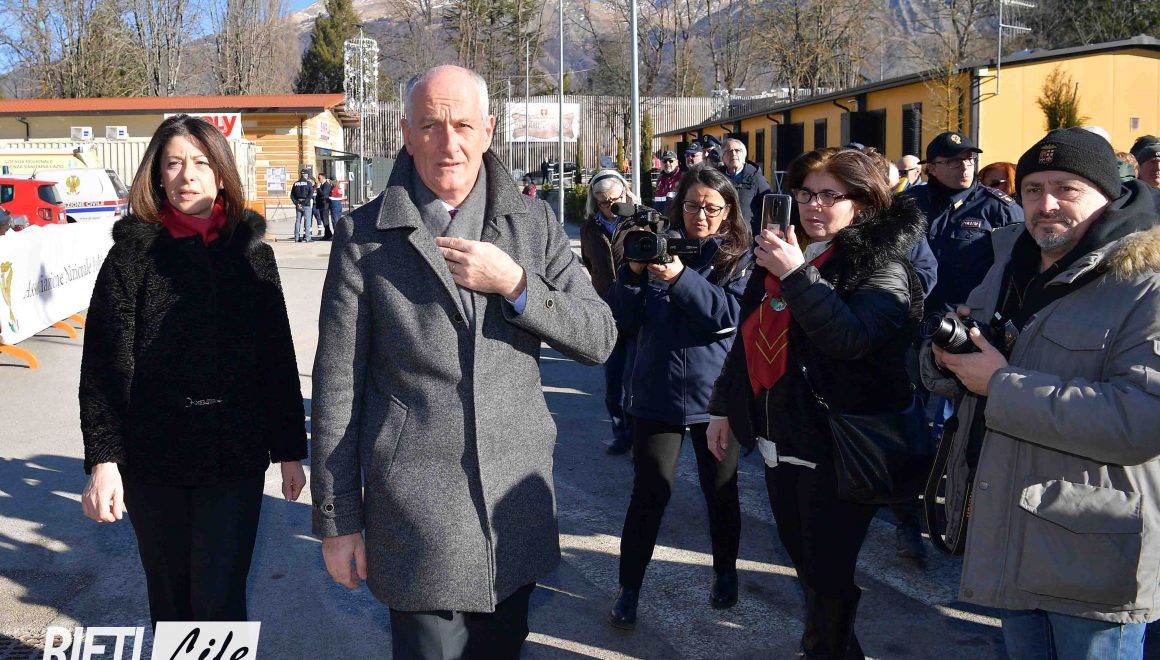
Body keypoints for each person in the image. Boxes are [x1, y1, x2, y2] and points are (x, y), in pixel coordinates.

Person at [310, 65, 615, 659]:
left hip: (512, 510)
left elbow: (598, 337)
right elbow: (337, 386)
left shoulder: (534, 225)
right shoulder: (364, 236)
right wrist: (338, 521)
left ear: (489, 130)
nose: (448, 143)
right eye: (430, 125)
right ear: (406, 134)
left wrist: (517, 285)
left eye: (464, 126)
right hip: (415, 513)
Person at [921, 127, 1160, 660]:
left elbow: (1143, 420)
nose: (1045, 204)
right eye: (1032, 189)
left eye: (1066, 188)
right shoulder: (1013, 264)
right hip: (1010, 528)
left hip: (1092, 554)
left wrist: (1000, 384)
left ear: (1108, 194)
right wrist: (948, 357)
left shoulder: (1148, 284)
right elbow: (978, 358)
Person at [78, 114, 307, 625]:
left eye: (201, 163)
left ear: (221, 174)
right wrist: (104, 460)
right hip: (153, 459)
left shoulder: (253, 255)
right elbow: (103, 367)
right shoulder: (129, 257)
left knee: (221, 602)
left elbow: (277, 358)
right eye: (174, 163)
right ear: (157, 175)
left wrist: (290, 450)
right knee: (172, 604)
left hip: (235, 455)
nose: (187, 175)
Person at [710, 147, 925, 658]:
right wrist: (723, 406)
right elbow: (747, 339)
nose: (813, 206)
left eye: (830, 195)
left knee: (827, 576)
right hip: (780, 439)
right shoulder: (787, 253)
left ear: (863, 203)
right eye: (806, 193)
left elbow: (849, 339)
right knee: (808, 569)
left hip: (839, 448)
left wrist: (795, 275)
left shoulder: (881, 267)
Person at [607, 167, 753, 630]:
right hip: (657, 393)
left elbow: (727, 316)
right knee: (648, 495)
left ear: (728, 211)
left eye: (711, 207)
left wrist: (678, 277)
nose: (700, 216)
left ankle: (725, 572)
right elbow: (624, 321)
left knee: (721, 492)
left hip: (716, 399)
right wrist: (633, 274)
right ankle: (629, 589)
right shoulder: (656, 245)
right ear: (679, 206)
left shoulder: (739, 258)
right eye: (692, 205)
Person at [899, 131, 1024, 549]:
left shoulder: (998, 208)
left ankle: (958, 503)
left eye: (969, 158)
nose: (965, 166)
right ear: (932, 167)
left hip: (967, 333)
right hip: (912, 326)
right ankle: (907, 509)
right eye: (953, 160)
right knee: (909, 418)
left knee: (959, 425)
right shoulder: (910, 204)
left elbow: (1016, 270)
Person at [579, 170, 638, 456]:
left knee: (634, 381)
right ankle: (620, 434)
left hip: (639, 309)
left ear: (625, 193)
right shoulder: (589, 228)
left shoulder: (641, 221)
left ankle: (637, 438)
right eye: (603, 202)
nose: (611, 206)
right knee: (613, 384)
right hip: (608, 313)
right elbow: (590, 265)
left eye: (615, 200)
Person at [719, 137, 772, 237]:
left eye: (737, 150)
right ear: (722, 158)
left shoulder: (757, 179)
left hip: (748, 237)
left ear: (744, 155)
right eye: (729, 151)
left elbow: (769, 209)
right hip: (722, 235)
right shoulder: (716, 179)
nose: (733, 154)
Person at [290, 168, 314, 242]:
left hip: (298, 203)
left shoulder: (295, 183)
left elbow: (292, 195)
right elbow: (310, 195)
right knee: (307, 220)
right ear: (306, 175)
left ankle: (296, 237)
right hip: (306, 203)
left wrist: (297, 203)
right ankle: (307, 237)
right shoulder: (308, 183)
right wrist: (304, 203)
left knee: (298, 220)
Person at [314, 172, 334, 240]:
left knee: (325, 220)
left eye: (319, 178)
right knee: (323, 220)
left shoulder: (326, 185)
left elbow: (324, 194)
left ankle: (328, 235)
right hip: (321, 205)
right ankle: (328, 234)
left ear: (323, 178)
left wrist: (318, 188)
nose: (318, 179)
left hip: (325, 205)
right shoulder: (322, 184)